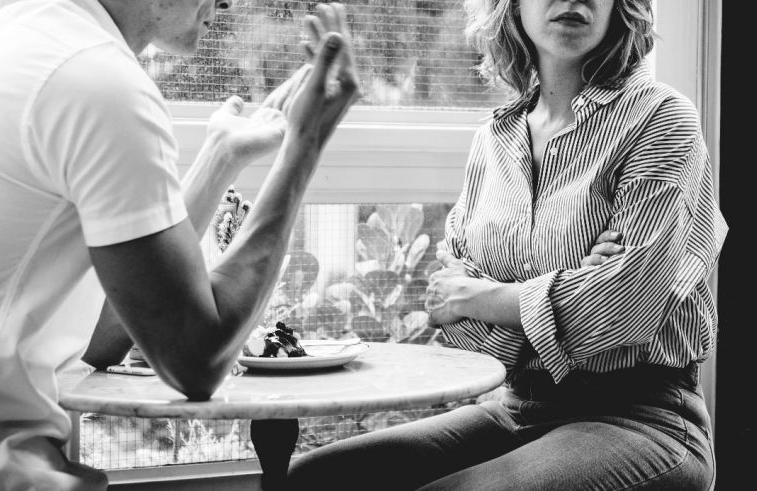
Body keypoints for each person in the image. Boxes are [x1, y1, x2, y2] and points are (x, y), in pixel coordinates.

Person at [0, 0, 358, 488]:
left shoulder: (18, 47)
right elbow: (196, 361)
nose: (227, 2)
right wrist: (304, 143)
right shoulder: (98, 80)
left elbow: (101, 337)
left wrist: (220, 157)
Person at [286, 0, 726, 489]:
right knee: (313, 478)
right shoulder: (494, 139)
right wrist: (577, 285)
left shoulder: (662, 119)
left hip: (641, 418)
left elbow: (629, 304)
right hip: (516, 407)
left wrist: (485, 295)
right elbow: (452, 316)